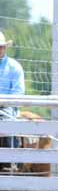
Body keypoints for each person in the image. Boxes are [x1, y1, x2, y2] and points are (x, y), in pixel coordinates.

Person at [0, 31, 25, 174]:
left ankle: (12, 160)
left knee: (7, 123)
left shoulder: (14, 67)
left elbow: (18, 92)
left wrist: (3, 103)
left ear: (5, 48)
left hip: (7, 108)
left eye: (1, 47)